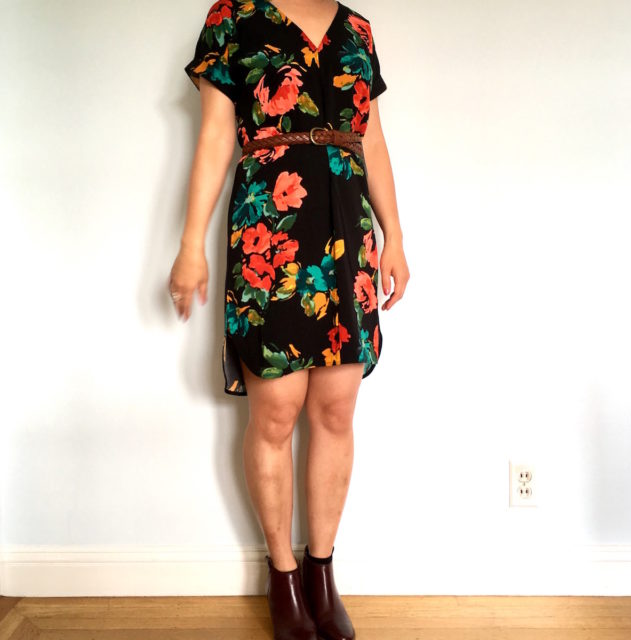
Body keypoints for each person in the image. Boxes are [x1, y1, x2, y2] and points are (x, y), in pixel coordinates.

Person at [169, 0, 409, 638]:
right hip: (270, 232)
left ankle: (321, 573)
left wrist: (395, 237)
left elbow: (372, 137)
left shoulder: (358, 31)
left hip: (349, 233)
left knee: (336, 410)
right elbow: (215, 136)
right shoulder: (233, 17)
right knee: (275, 412)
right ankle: (282, 576)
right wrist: (191, 244)